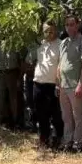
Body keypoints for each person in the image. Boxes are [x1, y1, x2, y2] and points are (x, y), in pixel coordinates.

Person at [57, 15, 82, 151]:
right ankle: (67, 141)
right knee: (66, 116)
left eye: (72, 24)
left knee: (78, 116)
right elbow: (60, 65)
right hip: (63, 85)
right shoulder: (63, 42)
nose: (69, 27)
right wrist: (57, 84)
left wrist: (81, 84)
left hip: (75, 85)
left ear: (77, 25)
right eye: (67, 25)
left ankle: (78, 143)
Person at [30, 21, 63, 149]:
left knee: (55, 114)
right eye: (46, 31)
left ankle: (56, 139)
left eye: (51, 31)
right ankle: (43, 139)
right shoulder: (41, 44)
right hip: (38, 83)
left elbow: (61, 65)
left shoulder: (61, 44)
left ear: (56, 30)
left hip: (53, 84)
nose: (48, 33)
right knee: (41, 113)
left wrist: (58, 83)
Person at [0, 46, 25, 130]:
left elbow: (21, 62)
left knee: (14, 98)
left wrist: (19, 77)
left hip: (12, 72)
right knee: (2, 98)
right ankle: (4, 120)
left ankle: (15, 121)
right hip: (1, 73)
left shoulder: (15, 45)